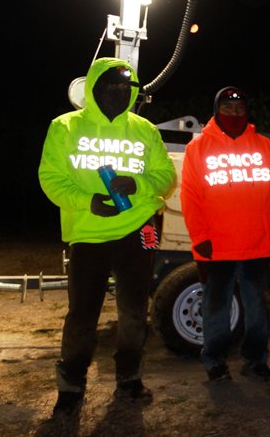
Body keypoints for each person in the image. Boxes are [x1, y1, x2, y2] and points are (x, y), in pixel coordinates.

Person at [38, 57, 177, 416]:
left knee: (134, 311)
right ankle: (71, 386)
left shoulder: (145, 129)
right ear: (95, 86)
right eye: (111, 86)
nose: (119, 93)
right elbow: (50, 178)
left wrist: (138, 183)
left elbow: (165, 178)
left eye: (126, 88)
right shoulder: (65, 127)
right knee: (82, 314)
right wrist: (87, 201)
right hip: (87, 233)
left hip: (141, 230)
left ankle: (129, 379)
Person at [180, 86, 270, 383]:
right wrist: (199, 236)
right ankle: (215, 361)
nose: (234, 113)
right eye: (228, 108)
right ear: (217, 110)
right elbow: (190, 196)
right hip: (215, 246)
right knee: (215, 308)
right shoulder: (198, 147)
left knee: (256, 307)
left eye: (239, 108)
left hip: (255, 244)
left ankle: (256, 360)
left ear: (247, 111)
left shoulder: (265, 146)